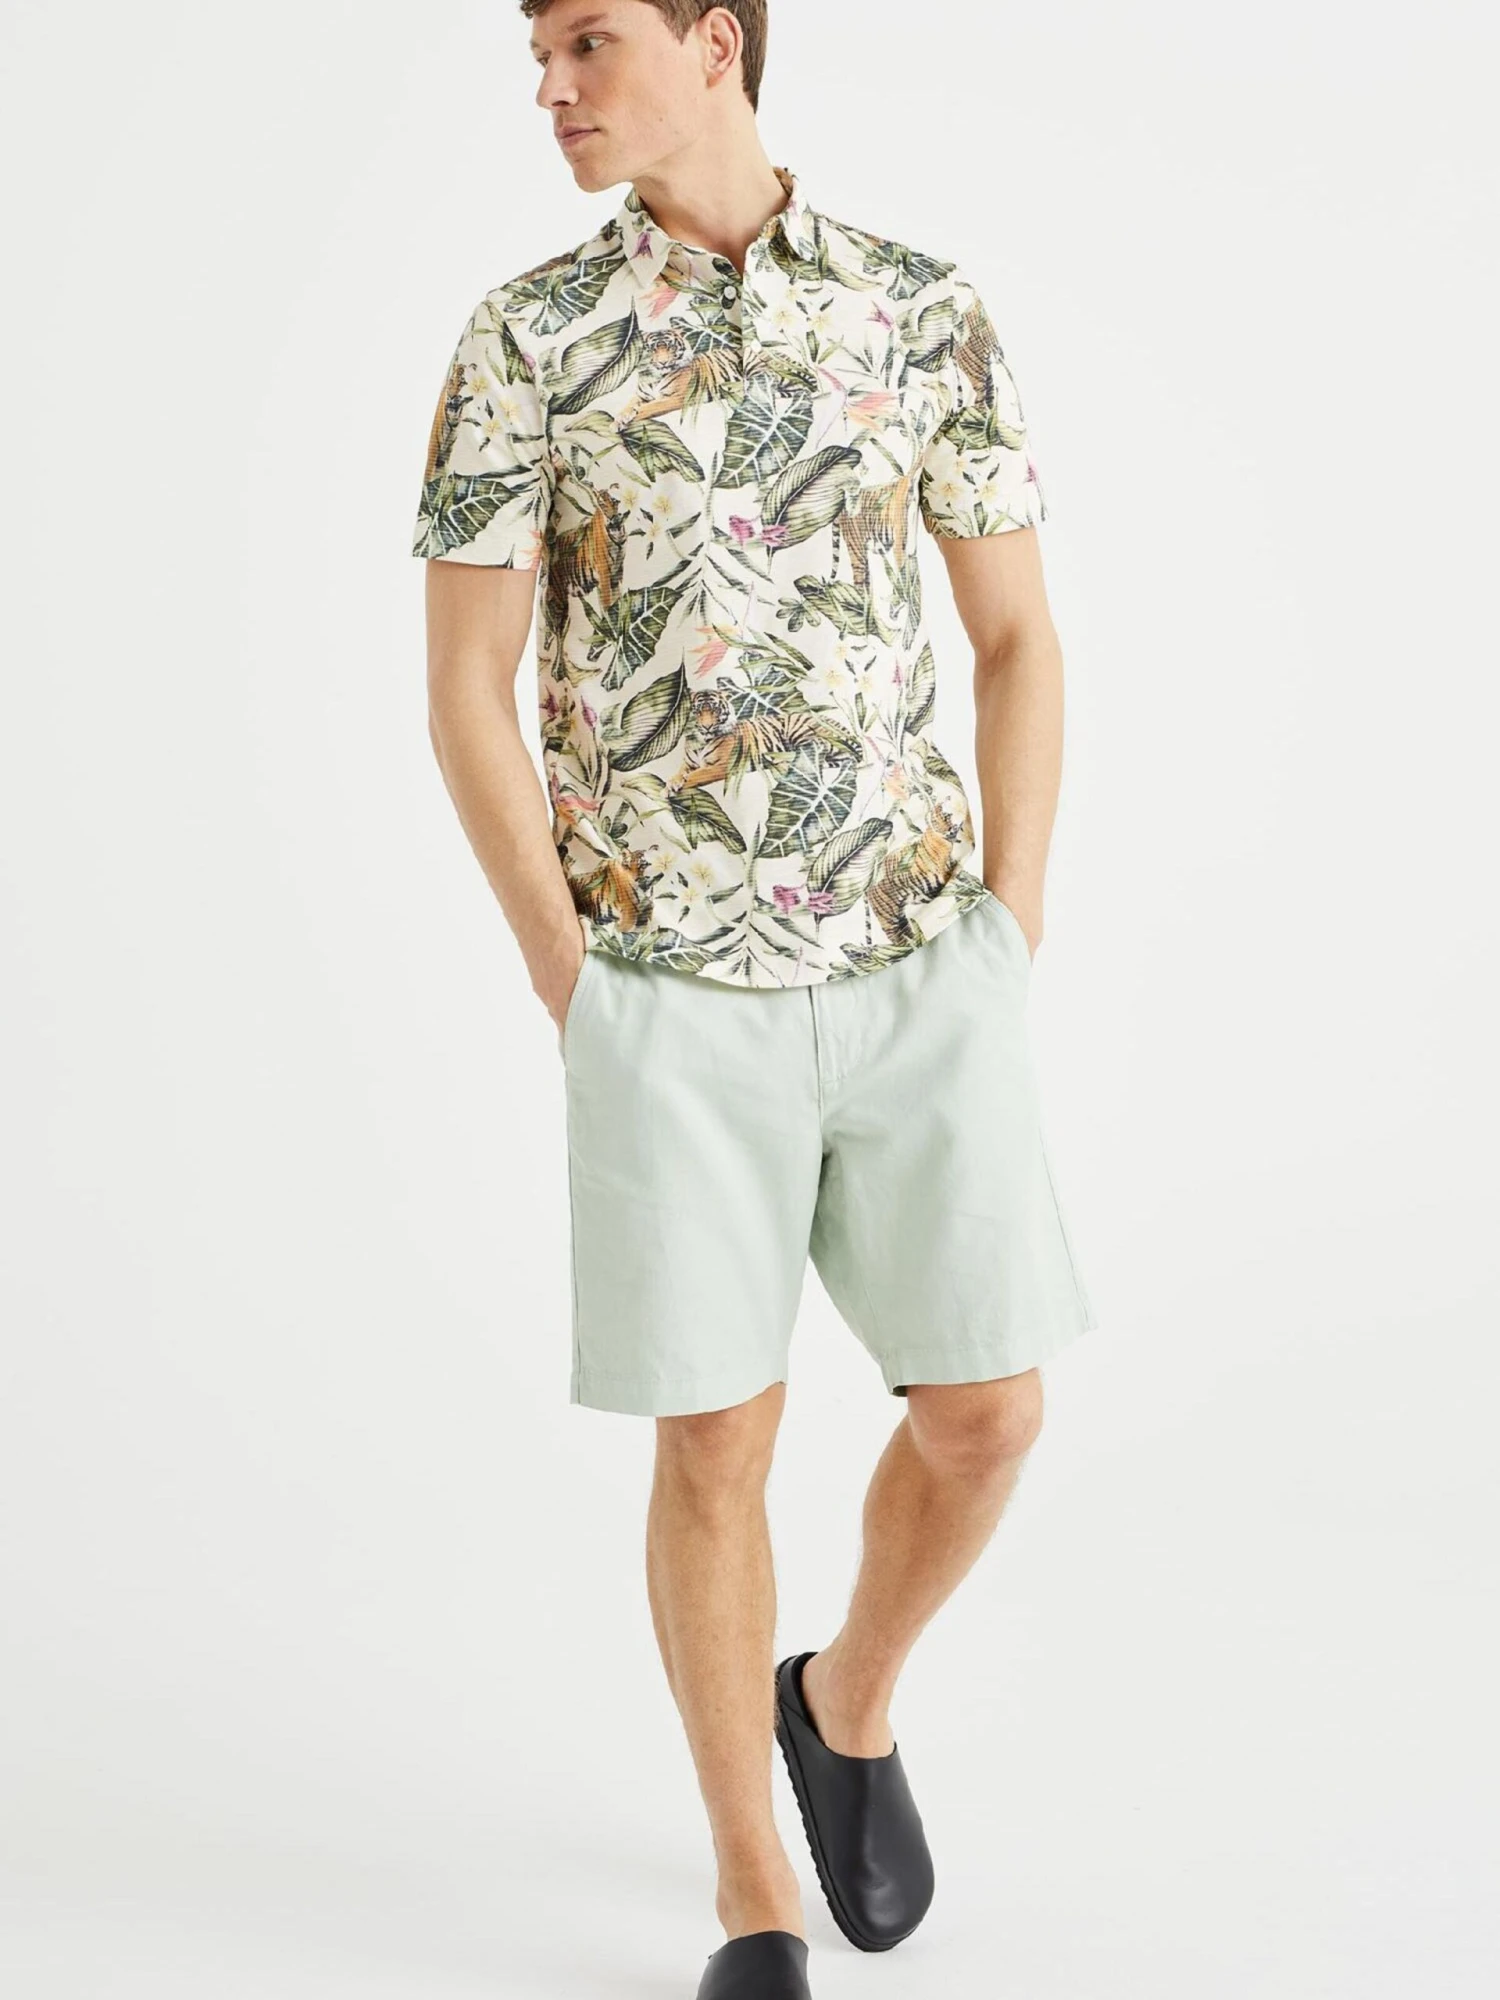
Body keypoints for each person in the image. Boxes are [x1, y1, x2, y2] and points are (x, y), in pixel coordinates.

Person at [412, 4, 1096, 1994]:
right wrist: (568, 973)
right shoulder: (525, 339)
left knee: (989, 1416)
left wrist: (1009, 925)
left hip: (916, 964)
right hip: (665, 991)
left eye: (588, 39)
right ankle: (751, 1892)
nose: (551, 85)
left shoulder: (918, 309)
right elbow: (465, 687)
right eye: (536, 51)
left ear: (716, 40)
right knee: (716, 1446)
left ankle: (846, 1696)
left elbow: (1018, 638)